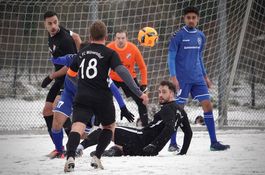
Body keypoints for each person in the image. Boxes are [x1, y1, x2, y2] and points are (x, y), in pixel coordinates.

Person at [64, 21, 148, 172]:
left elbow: (70, 75)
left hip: (82, 96)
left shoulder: (82, 52)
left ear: (90, 36)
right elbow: (122, 72)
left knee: (77, 127)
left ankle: (70, 157)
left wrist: (82, 85)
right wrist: (139, 92)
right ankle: (97, 156)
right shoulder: (110, 52)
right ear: (107, 36)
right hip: (102, 97)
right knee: (109, 127)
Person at [49, 42, 135, 159]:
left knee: (83, 134)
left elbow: (114, 89)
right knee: (57, 122)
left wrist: (123, 107)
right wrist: (54, 55)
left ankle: (79, 147)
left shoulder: (98, 69)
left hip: (86, 100)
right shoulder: (74, 58)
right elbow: (57, 60)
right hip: (69, 95)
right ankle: (59, 151)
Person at [167, 6, 230, 151]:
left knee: (208, 105)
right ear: (184, 19)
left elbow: (199, 57)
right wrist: (173, 77)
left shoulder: (201, 36)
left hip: (198, 78)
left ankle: (214, 142)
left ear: (197, 19)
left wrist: (205, 76)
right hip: (182, 79)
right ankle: (172, 143)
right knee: (178, 110)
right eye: (188, 17)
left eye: (193, 18)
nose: (191, 20)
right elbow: (171, 57)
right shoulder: (178, 35)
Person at [79, 81, 193, 157]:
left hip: (141, 137)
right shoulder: (181, 111)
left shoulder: (168, 108)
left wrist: (154, 144)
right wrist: (182, 153)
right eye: (159, 92)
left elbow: (169, 127)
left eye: (164, 92)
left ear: (172, 93)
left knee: (108, 129)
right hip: (146, 149)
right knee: (121, 147)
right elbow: (188, 133)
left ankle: (79, 147)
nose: (160, 95)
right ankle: (113, 151)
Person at [41, 11, 82, 156]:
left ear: (58, 21)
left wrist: (51, 76)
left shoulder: (64, 39)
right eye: (50, 23)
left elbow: (70, 65)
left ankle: (73, 147)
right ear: (45, 24)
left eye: (55, 22)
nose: (53, 26)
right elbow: (76, 36)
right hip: (59, 78)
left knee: (57, 109)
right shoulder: (55, 33)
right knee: (47, 111)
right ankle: (59, 149)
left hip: (67, 78)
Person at [108, 29, 149, 127]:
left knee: (141, 100)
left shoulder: (133, 49)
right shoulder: (109, 48)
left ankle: (145, 125)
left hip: (129, 80)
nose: (120, 40)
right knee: (103, 100)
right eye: (118, 38)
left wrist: (144, 84)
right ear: (115, 39)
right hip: (113, 79)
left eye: (123, 38)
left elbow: (143, 67)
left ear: (127, 39)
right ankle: (102, 124)